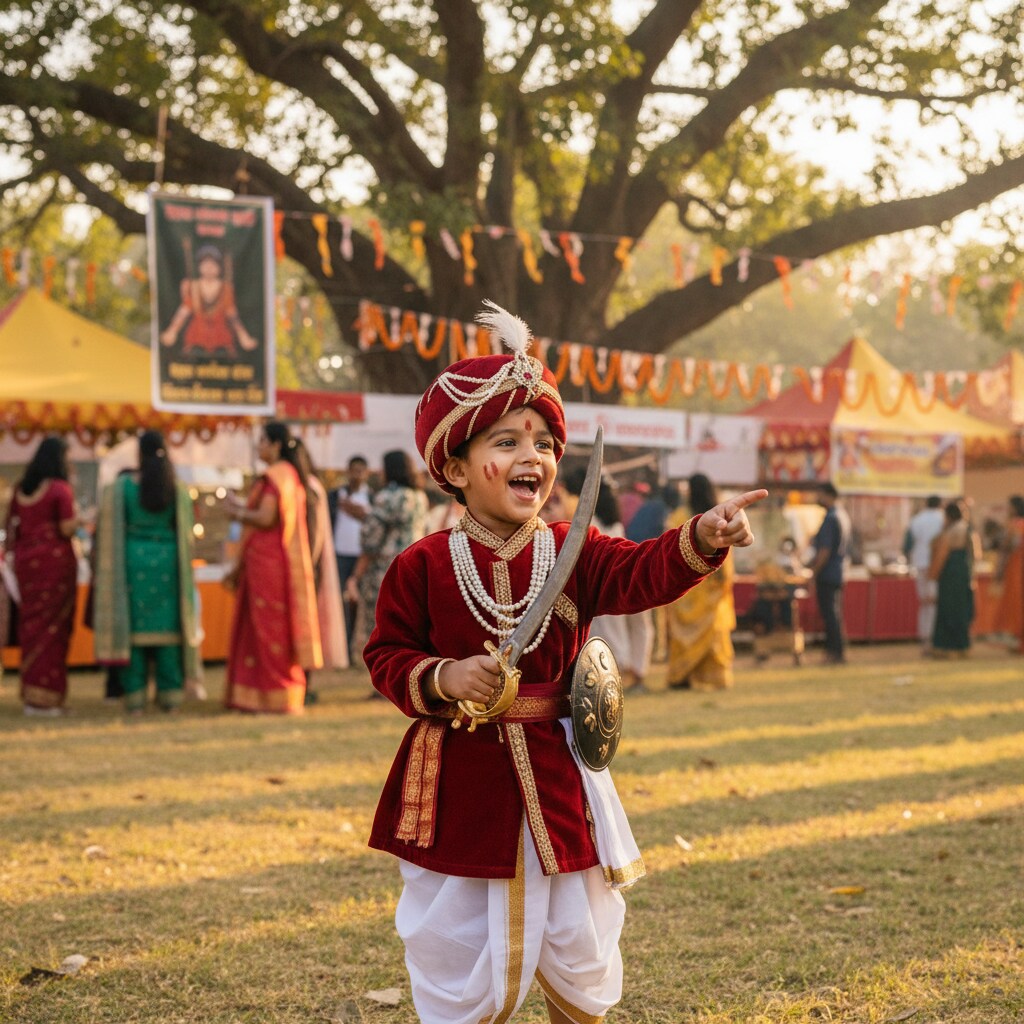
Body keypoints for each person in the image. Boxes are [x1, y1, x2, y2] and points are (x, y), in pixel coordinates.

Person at [363, 300, 766, 1024]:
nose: (535, 457)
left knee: (580, 947)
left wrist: (704, 535)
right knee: (459, 948)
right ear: (454, 465)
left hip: (561, 778)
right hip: (462, 788)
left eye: (546, 442)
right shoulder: (420, 565)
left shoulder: (577, 551)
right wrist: (447, 677)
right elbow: (388, 656)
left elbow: (646, 570)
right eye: (508, 441)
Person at [92, 430, 202, 714]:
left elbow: (107, 526)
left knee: (135, 633)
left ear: (139, 454)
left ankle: (136, 700)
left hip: (131, 562)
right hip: (168, 564)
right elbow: (186, 533)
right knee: (169, 634)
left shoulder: (122, 488)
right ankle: (170, 698)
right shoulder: (176, 488)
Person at [222, 421, 322, 713]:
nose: (259, 447)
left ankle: (275, 692)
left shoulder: (275, 476)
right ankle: (260, 694)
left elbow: (266, 518)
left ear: (277, 444)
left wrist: (236, 511)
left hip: (268, 563)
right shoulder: (290, 475)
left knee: (268, 630)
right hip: (272, 562)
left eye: (263, 441)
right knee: (265, 628)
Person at [4, 436, 80, 715]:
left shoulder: (20, 489)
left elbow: (12, 529)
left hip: (26, 565)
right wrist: (82, 518)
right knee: (53, 630)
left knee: (32, 627)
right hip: (54, 564)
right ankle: (46, 699)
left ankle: (33, 696)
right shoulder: (60, 489)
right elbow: (67, 528)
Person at [346, 450, 428, 661]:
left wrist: (356, 575)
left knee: (380, 625)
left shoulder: (387, 497)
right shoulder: (420, 497)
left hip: (385, 569)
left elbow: (371, 540)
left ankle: (383, 675)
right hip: (416, 567)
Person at [665, 473, 737, 690]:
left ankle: (682, 677)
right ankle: (713, 678)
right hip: (711, 586)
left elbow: (668, 548)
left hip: (686, 585)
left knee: (684, 633)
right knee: (713, 633)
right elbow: (727, 555)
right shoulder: (719, 517)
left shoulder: (679, 517)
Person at [294, 440, 349, 704]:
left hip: (309, 569)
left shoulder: (310, 487)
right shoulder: (305, 486)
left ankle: (304, 685)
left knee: (308, 626)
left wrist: (307, 564)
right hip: (306, 567)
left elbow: (314, 535)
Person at [589, 480, 654, 692]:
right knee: (638, 626)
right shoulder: (615, 519)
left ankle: (621, 672)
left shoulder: (591, 521)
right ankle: (637, 672)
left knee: (610, 629)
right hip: (629, 571)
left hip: (608, 578)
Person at [160, 243, 259, 355]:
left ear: (219, 267)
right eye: (205, 264)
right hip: (196, 339)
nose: (209, 267)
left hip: (221, 340)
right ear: (199, 267)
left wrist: (243, 336)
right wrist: (172, 331)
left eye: (213, 264)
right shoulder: (193, 287)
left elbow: (232, 314)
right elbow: (184, 311)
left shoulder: (226, 288)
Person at [329, 455, 371, 661]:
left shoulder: (372, 496)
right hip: (339, 555)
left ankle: (357, 650)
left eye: (360, 470)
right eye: (353, 470)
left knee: (360, 604)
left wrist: (355, 510)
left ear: (366, 473)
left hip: (363, 558)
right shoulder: (335, 495)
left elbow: (371, 520)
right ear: (347, 471)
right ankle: (342, 650)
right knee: (340, 603)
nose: (357, 474)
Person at [929, 498, 981, 658]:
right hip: (964, 573)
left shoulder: (951, 531)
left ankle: (946, 647)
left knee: (948, 610)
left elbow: (941, 555)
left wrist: (932, 575)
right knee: (961, 611)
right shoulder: (968, 529)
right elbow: (977, 555)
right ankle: (962, 647)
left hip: (950, 575)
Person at [809, 482, 850, 665]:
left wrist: (813, 571)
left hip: (827, 573)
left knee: (830, 614)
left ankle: (834, 653)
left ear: (827, 495)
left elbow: (824, 551)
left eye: (820, 494)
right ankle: (836, 651)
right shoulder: (842, 515)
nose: (818, 498)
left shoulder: (831, 517)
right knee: (834, 613)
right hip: (838, 571)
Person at [903, 495, 945, 654]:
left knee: (925, 602)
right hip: (937, 564)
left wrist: (907, 559)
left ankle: (925, 637)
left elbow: (908, 543)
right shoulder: (942, 519)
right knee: (934, 601)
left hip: (920, 563)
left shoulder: (917, 519)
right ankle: (933, 638)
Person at [992, 495, 1024, 652]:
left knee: (1016, 603)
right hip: (1016, 566)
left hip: (1016, 568)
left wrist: (999, 571)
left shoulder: (1013, 526)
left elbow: (1006, 549)